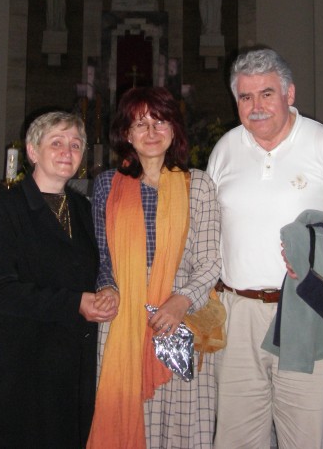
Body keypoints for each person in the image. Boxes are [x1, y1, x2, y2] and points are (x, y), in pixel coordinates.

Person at [207, 48, 323, 449]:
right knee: (234, 441)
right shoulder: (226, 149)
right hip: (237, 314)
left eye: (267, 94)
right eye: (246, 97)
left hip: (308, 308)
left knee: (305, 439)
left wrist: (316, 253)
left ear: (289, 94)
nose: (256, 107)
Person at [87, 87, 221, 449]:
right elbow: (100, 254)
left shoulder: (199, 185)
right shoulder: (107, 184)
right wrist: (107, 286)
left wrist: (181, 301)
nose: (151, 131)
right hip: (123, 314)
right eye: (140, 123)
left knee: (182, 422)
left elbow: (210, 259)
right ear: (126, 134)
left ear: (174, 130)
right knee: (126, 408)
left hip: (183, 313)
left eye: (160, 121)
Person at [0, 111, 115, 449]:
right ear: (32, 151)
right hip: (22, 365)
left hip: (70, 366)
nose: (67, 151)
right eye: (57, 143)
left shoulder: (83, 208)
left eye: (75, 145)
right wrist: (74, 302)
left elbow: (95, 268)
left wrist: (107, 290)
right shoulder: (5, 208)